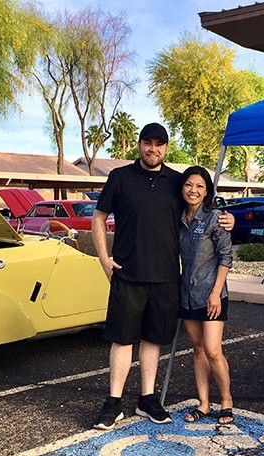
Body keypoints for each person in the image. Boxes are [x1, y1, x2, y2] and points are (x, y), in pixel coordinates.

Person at [91, 122, 233, 430]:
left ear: (166, 147)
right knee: (122, 338)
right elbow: (99, 218)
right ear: (139, 145)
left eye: (159, 143)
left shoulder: (176, 182)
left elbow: (202, 204)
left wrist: (228, 217)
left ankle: (147, 400)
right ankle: (113, 403)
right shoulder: (120, 178)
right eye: (148, 142)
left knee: (154, 339)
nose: (153, 148)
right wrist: (103, 258)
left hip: (168, 277)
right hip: (127, 273)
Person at [177, 166, 234, 425]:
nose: (193, 190)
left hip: (212, 295)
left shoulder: (215, 218)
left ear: (207, 191)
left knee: (212, 349)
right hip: (187, 295)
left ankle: (226, 401)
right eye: (189, 185)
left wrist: (214, 293)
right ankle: (204, 403)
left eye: (200, 186)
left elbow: (226, 257)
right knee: (197, 349)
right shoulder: (178, 218)